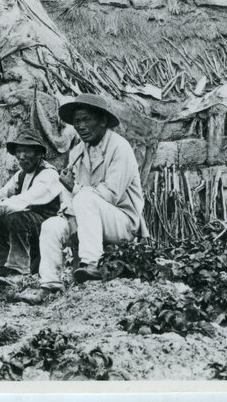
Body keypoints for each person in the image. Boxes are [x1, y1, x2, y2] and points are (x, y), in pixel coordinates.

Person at [19, 94, 146, 303]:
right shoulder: (77, 151)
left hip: (122, 222)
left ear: (103, 121)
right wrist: (70, 217)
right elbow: (68, 195)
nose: (81, 126)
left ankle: (91, 263)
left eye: (87, 119)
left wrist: (75, 188)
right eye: (77, 121)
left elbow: (111, 196)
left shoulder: (119, 148)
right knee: (51, 225)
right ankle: (49, 285)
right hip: (87, 217)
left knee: (85, 196)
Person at [0, 128, 64, 287]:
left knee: (17, 216)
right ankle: (1, 265)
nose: (21, 156)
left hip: (46, 229)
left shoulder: (49, 175)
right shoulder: (22, 174)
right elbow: (3, 192)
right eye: (19, 151)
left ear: (39, 153)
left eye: (27, 151)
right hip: (26, 225)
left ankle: (19, 271)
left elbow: (25, 200)